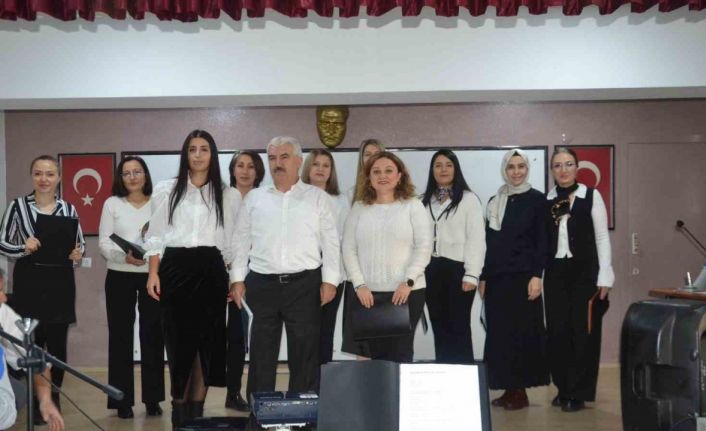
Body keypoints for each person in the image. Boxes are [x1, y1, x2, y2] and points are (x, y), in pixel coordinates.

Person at [144, 130, 241, 430]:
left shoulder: (228, 194)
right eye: (192, 149)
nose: (198, 155)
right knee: (179, 348)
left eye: (204, 149)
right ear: (185, 154)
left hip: (212, 271)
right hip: (175, 270)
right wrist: (153, 273)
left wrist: (233, 279)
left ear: (213, 155)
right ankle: (179, 419)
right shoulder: (166, 189)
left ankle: (196, 421)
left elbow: (233, 243)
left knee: (206, 349)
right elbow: (155, 236)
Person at [230, 136, 340, 398]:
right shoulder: (255, 198)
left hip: (305, 285)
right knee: (261, 355)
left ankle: (302, 414)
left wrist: (330, 280)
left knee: (304, 355)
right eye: (272, 158)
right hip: (262, 284)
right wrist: (237, 279)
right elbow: (240, 241)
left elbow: (331, 241)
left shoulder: (318, 198)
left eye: (284, 157)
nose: (277, 163)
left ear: (299, 161)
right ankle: (260, 413)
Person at [0, 155, 85, 418]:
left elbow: (80, 244)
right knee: (31, 343)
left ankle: (53, 399)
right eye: (38, 173)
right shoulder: (17, 206)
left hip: (60, 282)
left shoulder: (69, 208)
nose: (44, 179)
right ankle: (38, 400)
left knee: (58, 346)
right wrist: (22, 247)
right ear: (32, 176)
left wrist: (77, 254)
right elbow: (2, 242)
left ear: (58, 178)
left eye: (49, 174)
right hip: (29, 281)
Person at [342, 151, 432, 362]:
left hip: (406, 293)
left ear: (399, 176)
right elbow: (348, 248)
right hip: (366, 294)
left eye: (389, 170)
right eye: (376, 171)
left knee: (400, 354)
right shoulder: (359, 208)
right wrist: (359, 285)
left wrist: (408, 281)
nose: (382, 175)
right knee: (370, 356)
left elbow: (424, 246)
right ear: (369, 177)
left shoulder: (413, 205)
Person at [544, 147, 614, 412]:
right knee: (558, 332)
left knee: (583, 333)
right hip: (555, 274)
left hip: (585, 275)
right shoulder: (547, 200)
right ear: (552, 170)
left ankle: (579, 392)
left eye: (568, 164)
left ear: (576, 167)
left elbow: (602, 237)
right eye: (558, 165)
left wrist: (605, 274)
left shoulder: (591, 196)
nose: (563, 170)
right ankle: (563, 388)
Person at [479, 148, 549, 410]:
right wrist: (484, 277)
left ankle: (520, 391)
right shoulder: (494, 200)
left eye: (521, 166)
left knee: (522, 336)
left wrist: (537, 275)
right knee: (500, 336)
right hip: (498, 280)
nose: (516, 171)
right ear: (504, 170)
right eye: (511, 167)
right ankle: (508, 388)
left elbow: (542, 242)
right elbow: (489, 242)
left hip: (523, 279)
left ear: (527, 169)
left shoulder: (538, 200)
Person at [98, 156, 164, 419]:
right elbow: (104, 242)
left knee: (153, 336)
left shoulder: (159, 202)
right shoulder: (112, 204)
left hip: (152, 276)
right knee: (120, 338)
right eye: (127, 173)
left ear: (146, 175)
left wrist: (152, 259)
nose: (133, 177)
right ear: (120, 178)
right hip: (119, 275)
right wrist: (122, 257)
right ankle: (121, 400)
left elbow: (166, 238)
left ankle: (153, 399)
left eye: (137, 171)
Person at [421, 149, 485, 364]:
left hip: (458, 271)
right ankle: (444, 375)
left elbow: (476, 239)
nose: (443, 169)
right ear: (432, 170)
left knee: (459, 328)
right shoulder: (423, 201)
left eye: (448, 165)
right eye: (438, 165)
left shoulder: (469, 199)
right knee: (439, 327)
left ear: (456, 169)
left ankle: (464, 376)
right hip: (430, 271)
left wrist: (472, 274)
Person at [301, 149, 350, 365]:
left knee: (325, 329)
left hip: (332, 271)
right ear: (307, 168)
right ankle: (303, 379)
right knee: (303, 330)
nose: (320, 169)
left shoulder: (340, 201)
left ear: (331, 171)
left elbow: (344, 237)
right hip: (302, 270)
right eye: (316, 164)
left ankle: (322, 379)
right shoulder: (296, 197)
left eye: (326, 165)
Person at [224, 150, 264, 412]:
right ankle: (231, 392)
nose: (245, 171)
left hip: (257, 274)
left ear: (258, 171)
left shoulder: (264, 198)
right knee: (233, 338)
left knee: (254, 337)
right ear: (233, 170)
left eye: (251, 166)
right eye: (240, 165)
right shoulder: (222, 196)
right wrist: (229, 274)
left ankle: (252, 391)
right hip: (225, 273)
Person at [0, 269, 64, 431]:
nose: (4, 298)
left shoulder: (3, 313)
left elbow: (35, 359)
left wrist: (45, 400)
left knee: (19, 393)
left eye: (1, 290)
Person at [349, 139, 385, 204]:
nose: (372, 157)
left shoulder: (391, 189)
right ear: (362, 159)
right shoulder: (351, 193)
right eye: (368, 154)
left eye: (377, 154)